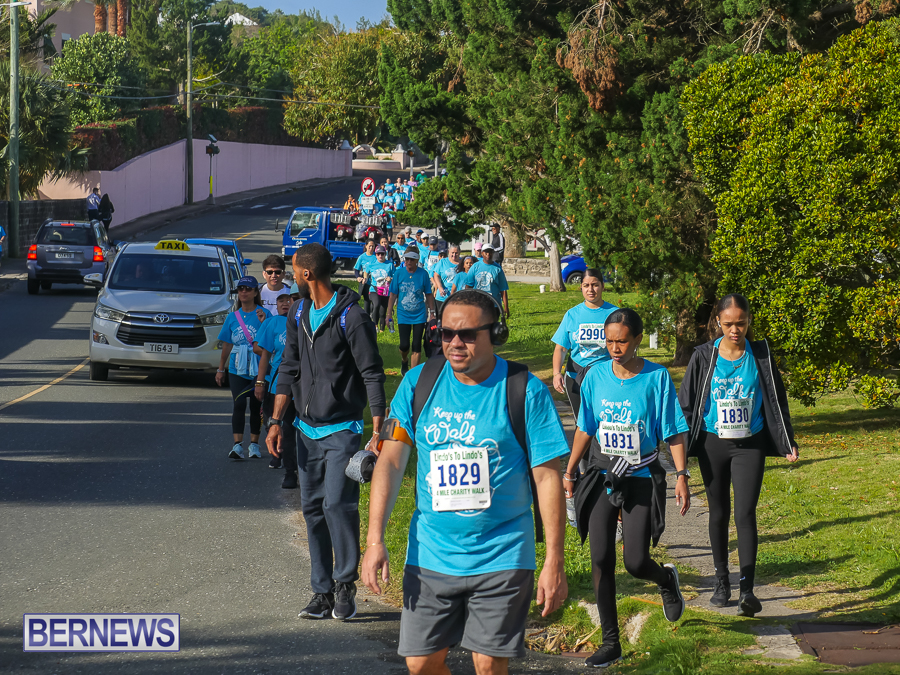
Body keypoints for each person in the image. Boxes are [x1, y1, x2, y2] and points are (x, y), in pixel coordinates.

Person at [362, 289, 570, 675]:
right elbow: (389, 462)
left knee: (488, 665)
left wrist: (554, 559)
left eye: (468, 334)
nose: (455, 343)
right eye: (446, 333)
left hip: (503, 551)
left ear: (496, 333)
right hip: (431, 553)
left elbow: (547, 479)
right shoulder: (418, 383)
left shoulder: (525, 390)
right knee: (421, 664)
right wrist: (375, 540)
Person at [564, 308, 690, 668]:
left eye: (622, 341)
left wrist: (682, 475)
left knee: (635, 561)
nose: (615, 348)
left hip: (641, 475)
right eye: (609, 341)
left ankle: (665, 579)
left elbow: (672, 431)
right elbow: (586, 427)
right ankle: (611, 643)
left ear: (637, 339)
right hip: (603, 474)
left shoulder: (656, 377)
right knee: (600, 558)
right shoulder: (594, 375)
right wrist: (570, 471)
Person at [268, 243, 386, 621]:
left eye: (293, 271)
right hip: (305, 430)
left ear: (307, 274)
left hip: (343, 430)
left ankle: (344, 583)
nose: (290, 277)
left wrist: (377, 430)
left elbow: (372, 373)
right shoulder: (298, 312)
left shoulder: (353, 317)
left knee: (337, 504)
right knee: (313, 509)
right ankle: (321, 591)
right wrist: (275, 421)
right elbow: (288, 365)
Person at [678, 293, 799, 617]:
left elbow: (777, 399)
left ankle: (747, 589)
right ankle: (722, 582)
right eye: (729, 324)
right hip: (713, 443)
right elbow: (686, 403)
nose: (735, 330)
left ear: (749, 321)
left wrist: (787, 441)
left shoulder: (760, 355)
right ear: (718, 322)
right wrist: (681, 453)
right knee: (718, 512)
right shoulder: (704, 356)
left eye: (741, 323)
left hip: (750, 443)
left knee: (745, 514)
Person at [216, 276, 271, 461]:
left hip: (258, 367)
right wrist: (221, 369)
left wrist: (264, 322)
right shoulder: (232, 317)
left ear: (255, 292)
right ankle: (237, 445)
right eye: (241, 289)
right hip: (237, 367)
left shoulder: (264, 314)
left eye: (248, 289)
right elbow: (227, 344)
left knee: (256, 405)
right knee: (239, 404)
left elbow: (270, 339)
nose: (244, 292)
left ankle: (254, 444)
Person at [551, 269, 619, 418]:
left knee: (605, 422)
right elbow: (561, 348)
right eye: (586, 285)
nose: (590, 289)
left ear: (602, 286)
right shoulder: (572, 315)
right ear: (581, 287)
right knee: (580, 423)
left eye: (595, 285)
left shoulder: (615, 314)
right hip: (576, 377)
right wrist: (556, 373)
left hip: (606, 377)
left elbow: (624, 347)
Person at [253, 290, 299, 488]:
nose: (289, 304)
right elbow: (264, 353)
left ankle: (304, 467)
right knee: (283, 427)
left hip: (306, 386)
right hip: (280, 383)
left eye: (293, 300)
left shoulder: (309, 321)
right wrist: (260, 382)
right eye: (286, 301)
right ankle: (289, 471)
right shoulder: (274, 323)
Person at [387, 249, 435, 375]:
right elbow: (393, 294)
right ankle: (404, 360)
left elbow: (429, 294)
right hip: (403, 314)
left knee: (416, 345)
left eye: (412, 259)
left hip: (419, 314)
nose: (409, 262)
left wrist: (432, 313)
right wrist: (388, 314)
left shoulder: (423, 274)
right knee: (404, 345)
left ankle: (412, 375)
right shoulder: (399, 274)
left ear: (417, 260)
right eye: (407, 259)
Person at [465, 244, 510, 318]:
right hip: (478, 304)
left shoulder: (497, 269)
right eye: (486, 252)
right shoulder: (475, 267)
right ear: (482, 253)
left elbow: (503, 289)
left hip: (493, 305)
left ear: (493, 253)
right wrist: (467, 303)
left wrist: (506, 307)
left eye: (490, 252)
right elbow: (468, 286)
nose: (488, 254)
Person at [368, 246, 394, 331]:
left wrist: (391, 279)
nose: (380, 256)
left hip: (385, 290)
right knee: (376, 304)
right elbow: (365, 272)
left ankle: (382, 329)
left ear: (385, 254)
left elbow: (395, 276)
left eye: (382, 254)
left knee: (383, 311)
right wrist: (364, 278)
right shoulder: (371, 264)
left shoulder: (389, 264)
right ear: (375, 255)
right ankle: (375, 326)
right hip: (374, 289)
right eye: (378, 254)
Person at [432, 244, 461, 312]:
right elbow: (436, 275)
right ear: (448, 252)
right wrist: (440, 288)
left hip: (457, 298)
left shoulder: (462, 263)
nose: (454, 255)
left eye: (456, 253)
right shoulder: (443, 262)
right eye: (452, 253)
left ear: (459, 252)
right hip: (443, 297)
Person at [354, 239, 377, 316]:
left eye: (372, 246)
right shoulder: (362, 257)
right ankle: (367, 316)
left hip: (375, 283)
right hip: (366, 282)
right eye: (369, 246)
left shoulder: (376, 256)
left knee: (374, 301)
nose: (371, 248)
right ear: (366, 246)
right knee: (367, 300)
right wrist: (358, 277)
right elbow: (356, 270)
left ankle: (373, 315)